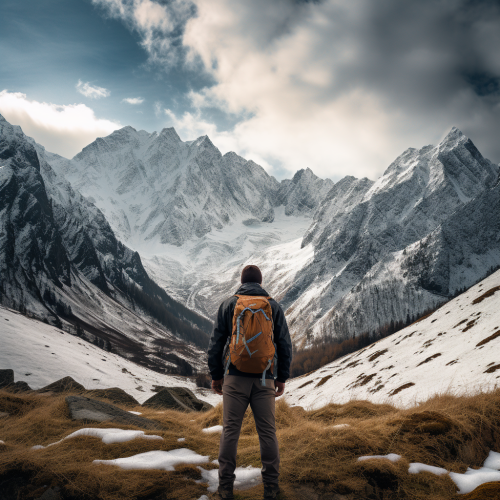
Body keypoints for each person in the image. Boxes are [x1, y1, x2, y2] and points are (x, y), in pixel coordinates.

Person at [207, 264, 292, 500]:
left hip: (234, 376)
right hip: (265, 378)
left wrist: (216, 375)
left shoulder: (229, 304)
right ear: (261, 282)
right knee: (267, 432)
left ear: (241, 282)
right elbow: (284, 343)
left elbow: (216, 342)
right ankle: (271, 489)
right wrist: (281, 377)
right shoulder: (273, 306)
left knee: (230, 431)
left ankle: (225, 489)